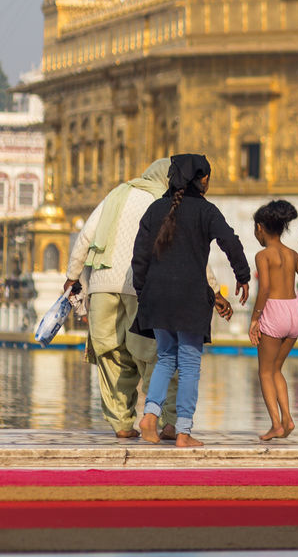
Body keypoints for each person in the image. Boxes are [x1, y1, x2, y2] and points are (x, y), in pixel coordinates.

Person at [132, 154, 251, 447]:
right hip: (189, 297)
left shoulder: (155, 209)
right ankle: (183, 431)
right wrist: (242, 275)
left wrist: (143, 291)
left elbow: (140, 257)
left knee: (165, 357)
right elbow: (230, 241)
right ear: (203, 179)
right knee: (188, 363)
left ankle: (150, 415)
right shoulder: (206, 211)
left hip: (157, 297)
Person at [64, 158, 186, 439]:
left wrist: (73, 276)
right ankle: (167, 421)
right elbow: (185, 246)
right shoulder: (166, 200)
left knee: (111, 354)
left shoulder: (116, 194)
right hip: (143, 287)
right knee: (153, 355)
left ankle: (121, 423)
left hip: (103, 285)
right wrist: (213, 288)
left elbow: (85, 237)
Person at [248, 200, 298, 441]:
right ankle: (287, 419)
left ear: (260, 228)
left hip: (274, 311)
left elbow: (265, 287)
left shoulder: (263, 255)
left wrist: (254, 319)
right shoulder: (292, 254)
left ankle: (276, 424)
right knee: (276, 369)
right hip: (293, 314)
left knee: (265, 372)